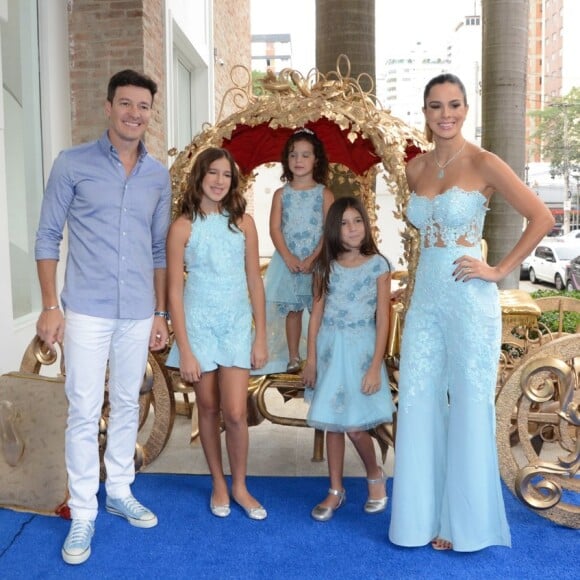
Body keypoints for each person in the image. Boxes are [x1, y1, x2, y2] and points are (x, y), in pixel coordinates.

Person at [388, 73, 555, 552]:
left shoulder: (484, 162)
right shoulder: (414, 169)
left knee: (466, 404)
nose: (446, 114)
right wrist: (409, 284)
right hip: (425, 302)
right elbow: (422, 240)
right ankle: (417, 521)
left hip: (469, 299)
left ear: (466, 109)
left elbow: (541, 216)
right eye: (436, 106)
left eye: (455, 105)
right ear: (424, 111)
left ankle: (460, 525)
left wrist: (498, 268)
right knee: (417, 401)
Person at [35, 69, 172, 565]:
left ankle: (119, 489)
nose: (135, 113)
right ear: (108, 105)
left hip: (137, 310)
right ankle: (83, 510)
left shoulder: (159, 175)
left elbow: (159, 248)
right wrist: (51, 306)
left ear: (150, 114)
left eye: (143, 106)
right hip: (87, 309)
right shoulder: (72, 164)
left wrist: (159, 311)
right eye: (126, 103)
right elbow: (47, 236)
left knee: (128, 405)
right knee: (83, 409)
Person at [165, 147, 268, 520]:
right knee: (207, 407)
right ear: (199, 177)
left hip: (237, 324)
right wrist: (186, 349)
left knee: (237, 412)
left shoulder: (244, 223)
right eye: (213, 173)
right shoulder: (182, 227)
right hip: (198, 326)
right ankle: (219, 484)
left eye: (226, 174)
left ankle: (240, 485)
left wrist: (260, 335)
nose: (219, 181)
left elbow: (255, 280)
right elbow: (174, 290)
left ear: (233, 181)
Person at [302, 196, 396, 521]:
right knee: (333, 423)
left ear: (366, 225)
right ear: (333, 229)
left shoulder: (378, 265)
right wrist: (311, 358)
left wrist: (375, 366)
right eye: (344, 223)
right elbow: (316, 314)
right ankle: (335, 489)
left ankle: (375, 475)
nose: (352, 228)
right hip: (329, 350)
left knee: (356, 427)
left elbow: (383, 318)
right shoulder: (324, 266)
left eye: (357, 221)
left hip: (361, 352)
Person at [255, 128, 334, 375]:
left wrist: (313, 258)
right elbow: (274, 228)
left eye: (305, 155)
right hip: (287, 262)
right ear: (286, 160)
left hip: (317, 261)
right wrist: (288, 257)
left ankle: (317, 356)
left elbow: (328, 229)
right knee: (293, 310)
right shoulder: (282, 194)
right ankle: (293, 357)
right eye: (293, 155)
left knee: (318, 309)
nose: (298, 160)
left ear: (316, 160)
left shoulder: (324, 193)